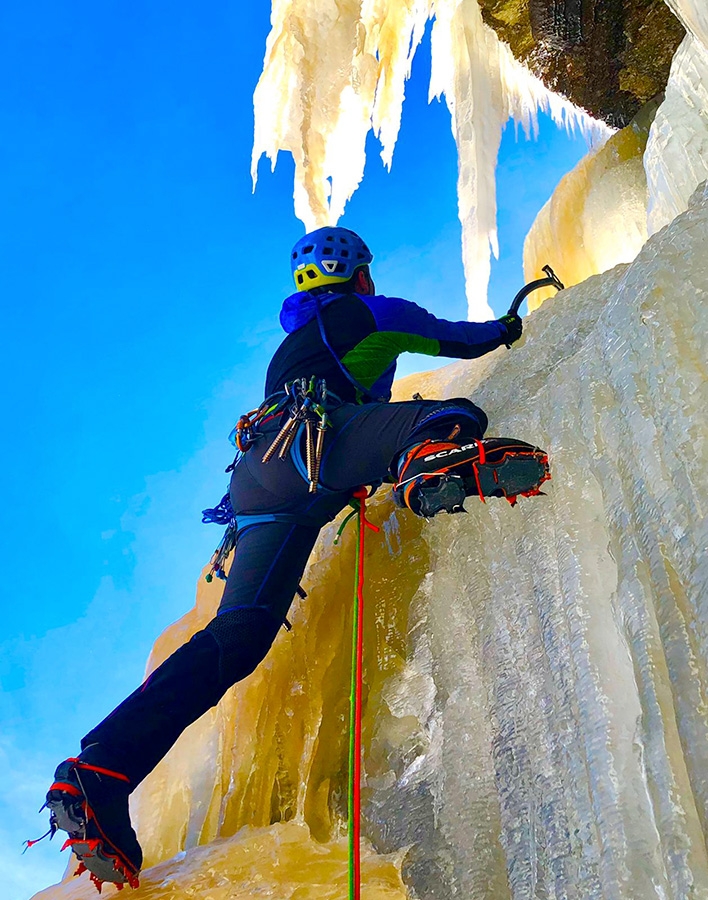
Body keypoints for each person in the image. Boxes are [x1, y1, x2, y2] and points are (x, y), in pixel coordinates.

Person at [39, 227, 544, 890]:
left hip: (260, 482)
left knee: (237, 637)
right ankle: (425, 466)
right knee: (451, 412)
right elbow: (459, 339)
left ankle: (99, 769)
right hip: (319, 445)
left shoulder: (290, 346)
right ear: (360, 274)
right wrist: (510, 325)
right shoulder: (371, 311)